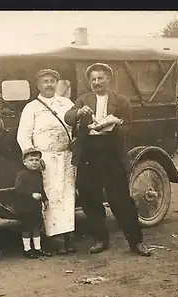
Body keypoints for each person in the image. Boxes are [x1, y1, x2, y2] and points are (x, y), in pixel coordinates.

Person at [63, 62, 151, 257]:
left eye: (100, 78)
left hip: (111, 152)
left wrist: (116, 125)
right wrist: (78, 113)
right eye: (93, 79)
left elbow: (128, 127)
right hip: (88, 154)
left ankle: (136, 242)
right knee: (89, 198)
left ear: (108, 79)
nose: (96, 82)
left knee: (120, 199)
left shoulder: (121, 101)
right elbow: (68, 117)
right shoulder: (83, 100)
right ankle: (100, 239)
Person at [16, 68, 77, 255]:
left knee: (67, 196)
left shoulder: (67, 103)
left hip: (66, 157)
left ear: (57, 83)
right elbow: (23, 136)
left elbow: (77, 125)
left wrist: (76, 141)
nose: (49, 84)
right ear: (38, 85)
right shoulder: (31, 107)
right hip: (45, 158)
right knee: (50, 197)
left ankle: (69, 237)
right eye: (45, 81)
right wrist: (33, 157)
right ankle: (54, 239)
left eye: (52, 81)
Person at [15, 148, 53, 259]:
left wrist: (45, 199)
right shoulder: (22, 175)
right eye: (31, 160)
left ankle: (37, 248)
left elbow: (41, 188)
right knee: (27, 228)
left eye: (37, 160)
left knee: (37, 227)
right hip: (25, 207)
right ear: (24, 162)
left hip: (36, 207)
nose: (34, 162)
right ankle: (27, 249)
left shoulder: (38, 174)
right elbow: (19, 189)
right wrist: (31, 194)